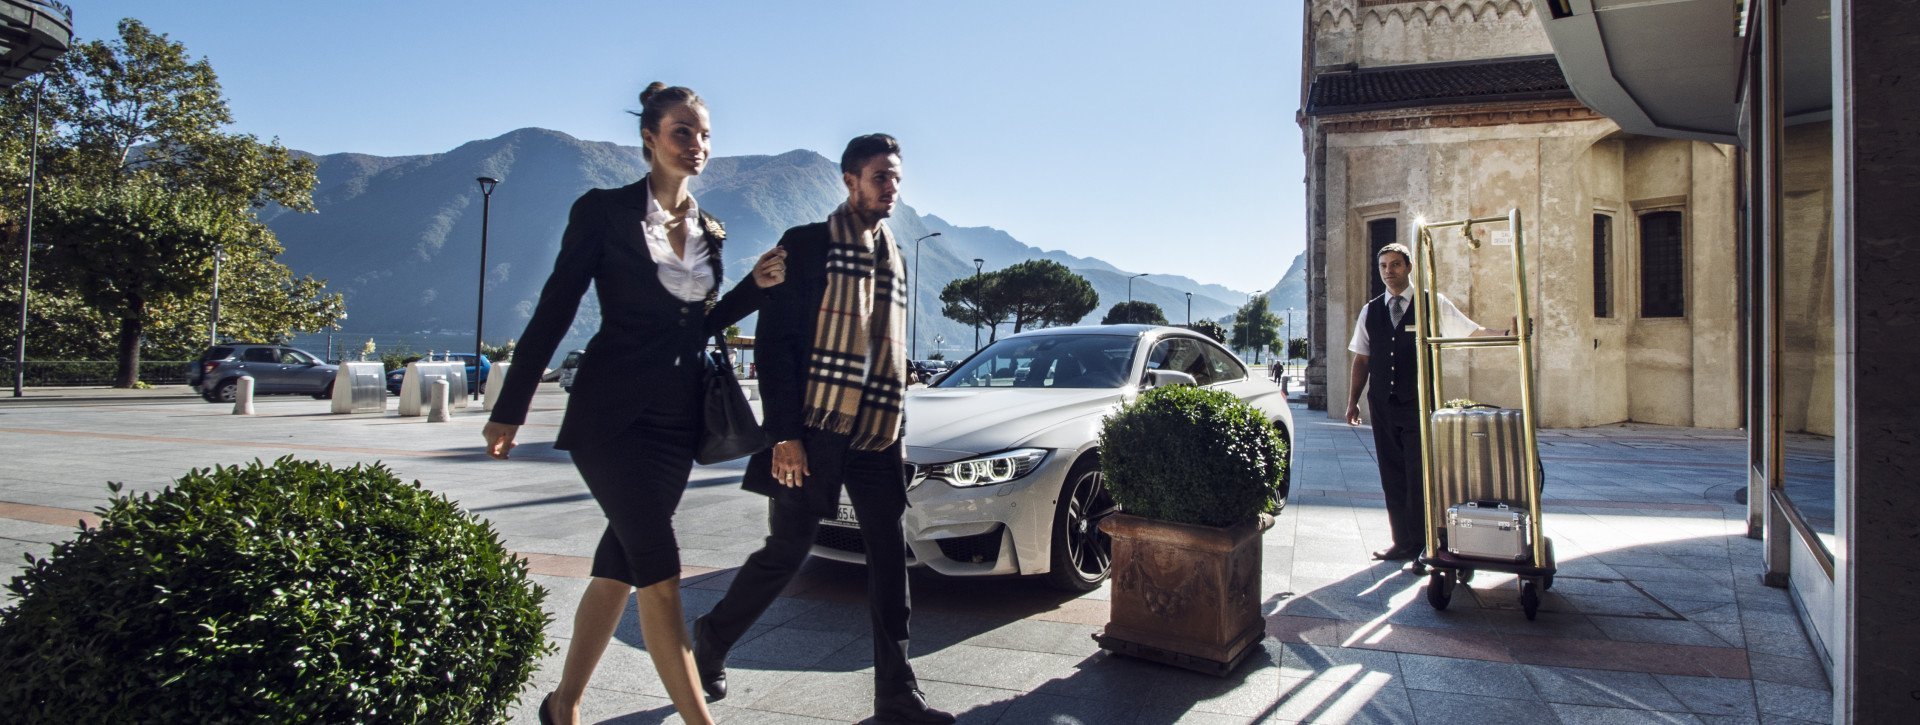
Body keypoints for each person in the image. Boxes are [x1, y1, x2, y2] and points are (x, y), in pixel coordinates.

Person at [481, 82, 789, 725]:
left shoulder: (710, 228)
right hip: (611, 415)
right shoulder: (603, 211)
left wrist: (752, 290)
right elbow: (554, 309)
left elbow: (698, 325)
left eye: (705, 134)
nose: (697, 144)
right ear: (650, 139)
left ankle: (562, 707)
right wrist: (509, 407)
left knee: (620, 564)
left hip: (678, 420)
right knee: (661, 568)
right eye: (683, 131)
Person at [691, 134, 956, 725]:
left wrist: (898, 419)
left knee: (889, 552)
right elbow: (775, 343)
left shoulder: (892, 253)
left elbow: (882, 351)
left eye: (897, 179)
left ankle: (896, 694)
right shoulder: (807, 246)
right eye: (881, 177)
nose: (892, 189)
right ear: (849, 181)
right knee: (786, 552)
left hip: (878, 428)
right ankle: (711, 638)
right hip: (813, 428)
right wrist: (783, 434)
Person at [1344, 242, 1510, 561]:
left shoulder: (1432, 303)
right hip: (1382, 404)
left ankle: (1422, 542)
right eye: (1383, 266)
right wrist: (1353, 402)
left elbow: (1470, 332)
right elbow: (1361, 359)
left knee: (1418, 473)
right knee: (1391, 474)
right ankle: (1401, 542)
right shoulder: (1370, 310)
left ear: (1408, 267)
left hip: (1418, 403)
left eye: (1395, 265)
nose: (1389, 272)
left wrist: (1507, 333)